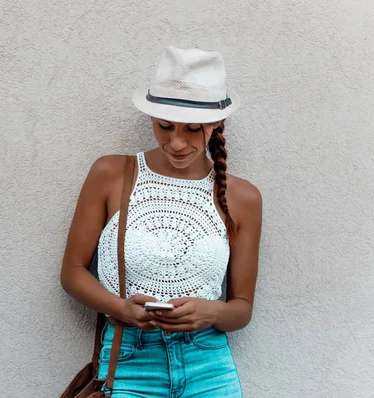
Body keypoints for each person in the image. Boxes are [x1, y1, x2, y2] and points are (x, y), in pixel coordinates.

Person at [60, 45, 262, 397]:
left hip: (209, 365)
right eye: (164, 126)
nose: (177, 142)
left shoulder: (243, 198)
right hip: (128, 360)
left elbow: (241, 309)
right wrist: (120, 308)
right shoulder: (112, 174)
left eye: (193, 129)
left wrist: (210, 313)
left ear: (216, 123)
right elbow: (73, 272)